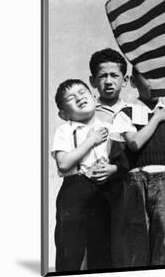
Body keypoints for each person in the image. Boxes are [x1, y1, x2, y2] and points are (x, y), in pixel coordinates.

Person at [113, 68, 165, 266]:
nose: (153, 83)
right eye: (147, 77)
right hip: (137, 183)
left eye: (158, 76)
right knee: (137, 244)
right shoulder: (126, 113)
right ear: (133, 82)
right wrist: (155, 119)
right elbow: (135, 143)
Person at [51, 79, 123, 272]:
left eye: (82, 92)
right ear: (63, 113)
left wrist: (112, 170)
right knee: (71, 249)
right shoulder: (65, 130)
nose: (79, 97)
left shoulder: (111, 127)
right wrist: (91, 141)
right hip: (74, 191)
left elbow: (122, 162)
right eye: (71, 97)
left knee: (103, 250)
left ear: (93, 96)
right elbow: (64, 163)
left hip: (104, 191)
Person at [87, 48, 130, 267]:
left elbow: (138, 151)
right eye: (102, 76)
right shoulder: (85, 113)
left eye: (114, 75)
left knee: (125, 248)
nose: (109, 81)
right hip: (94, 187)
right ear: (92, 81)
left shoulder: (135, 111)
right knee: (97, 248)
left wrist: (115, 169)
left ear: (125, 79)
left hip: (125, 187)